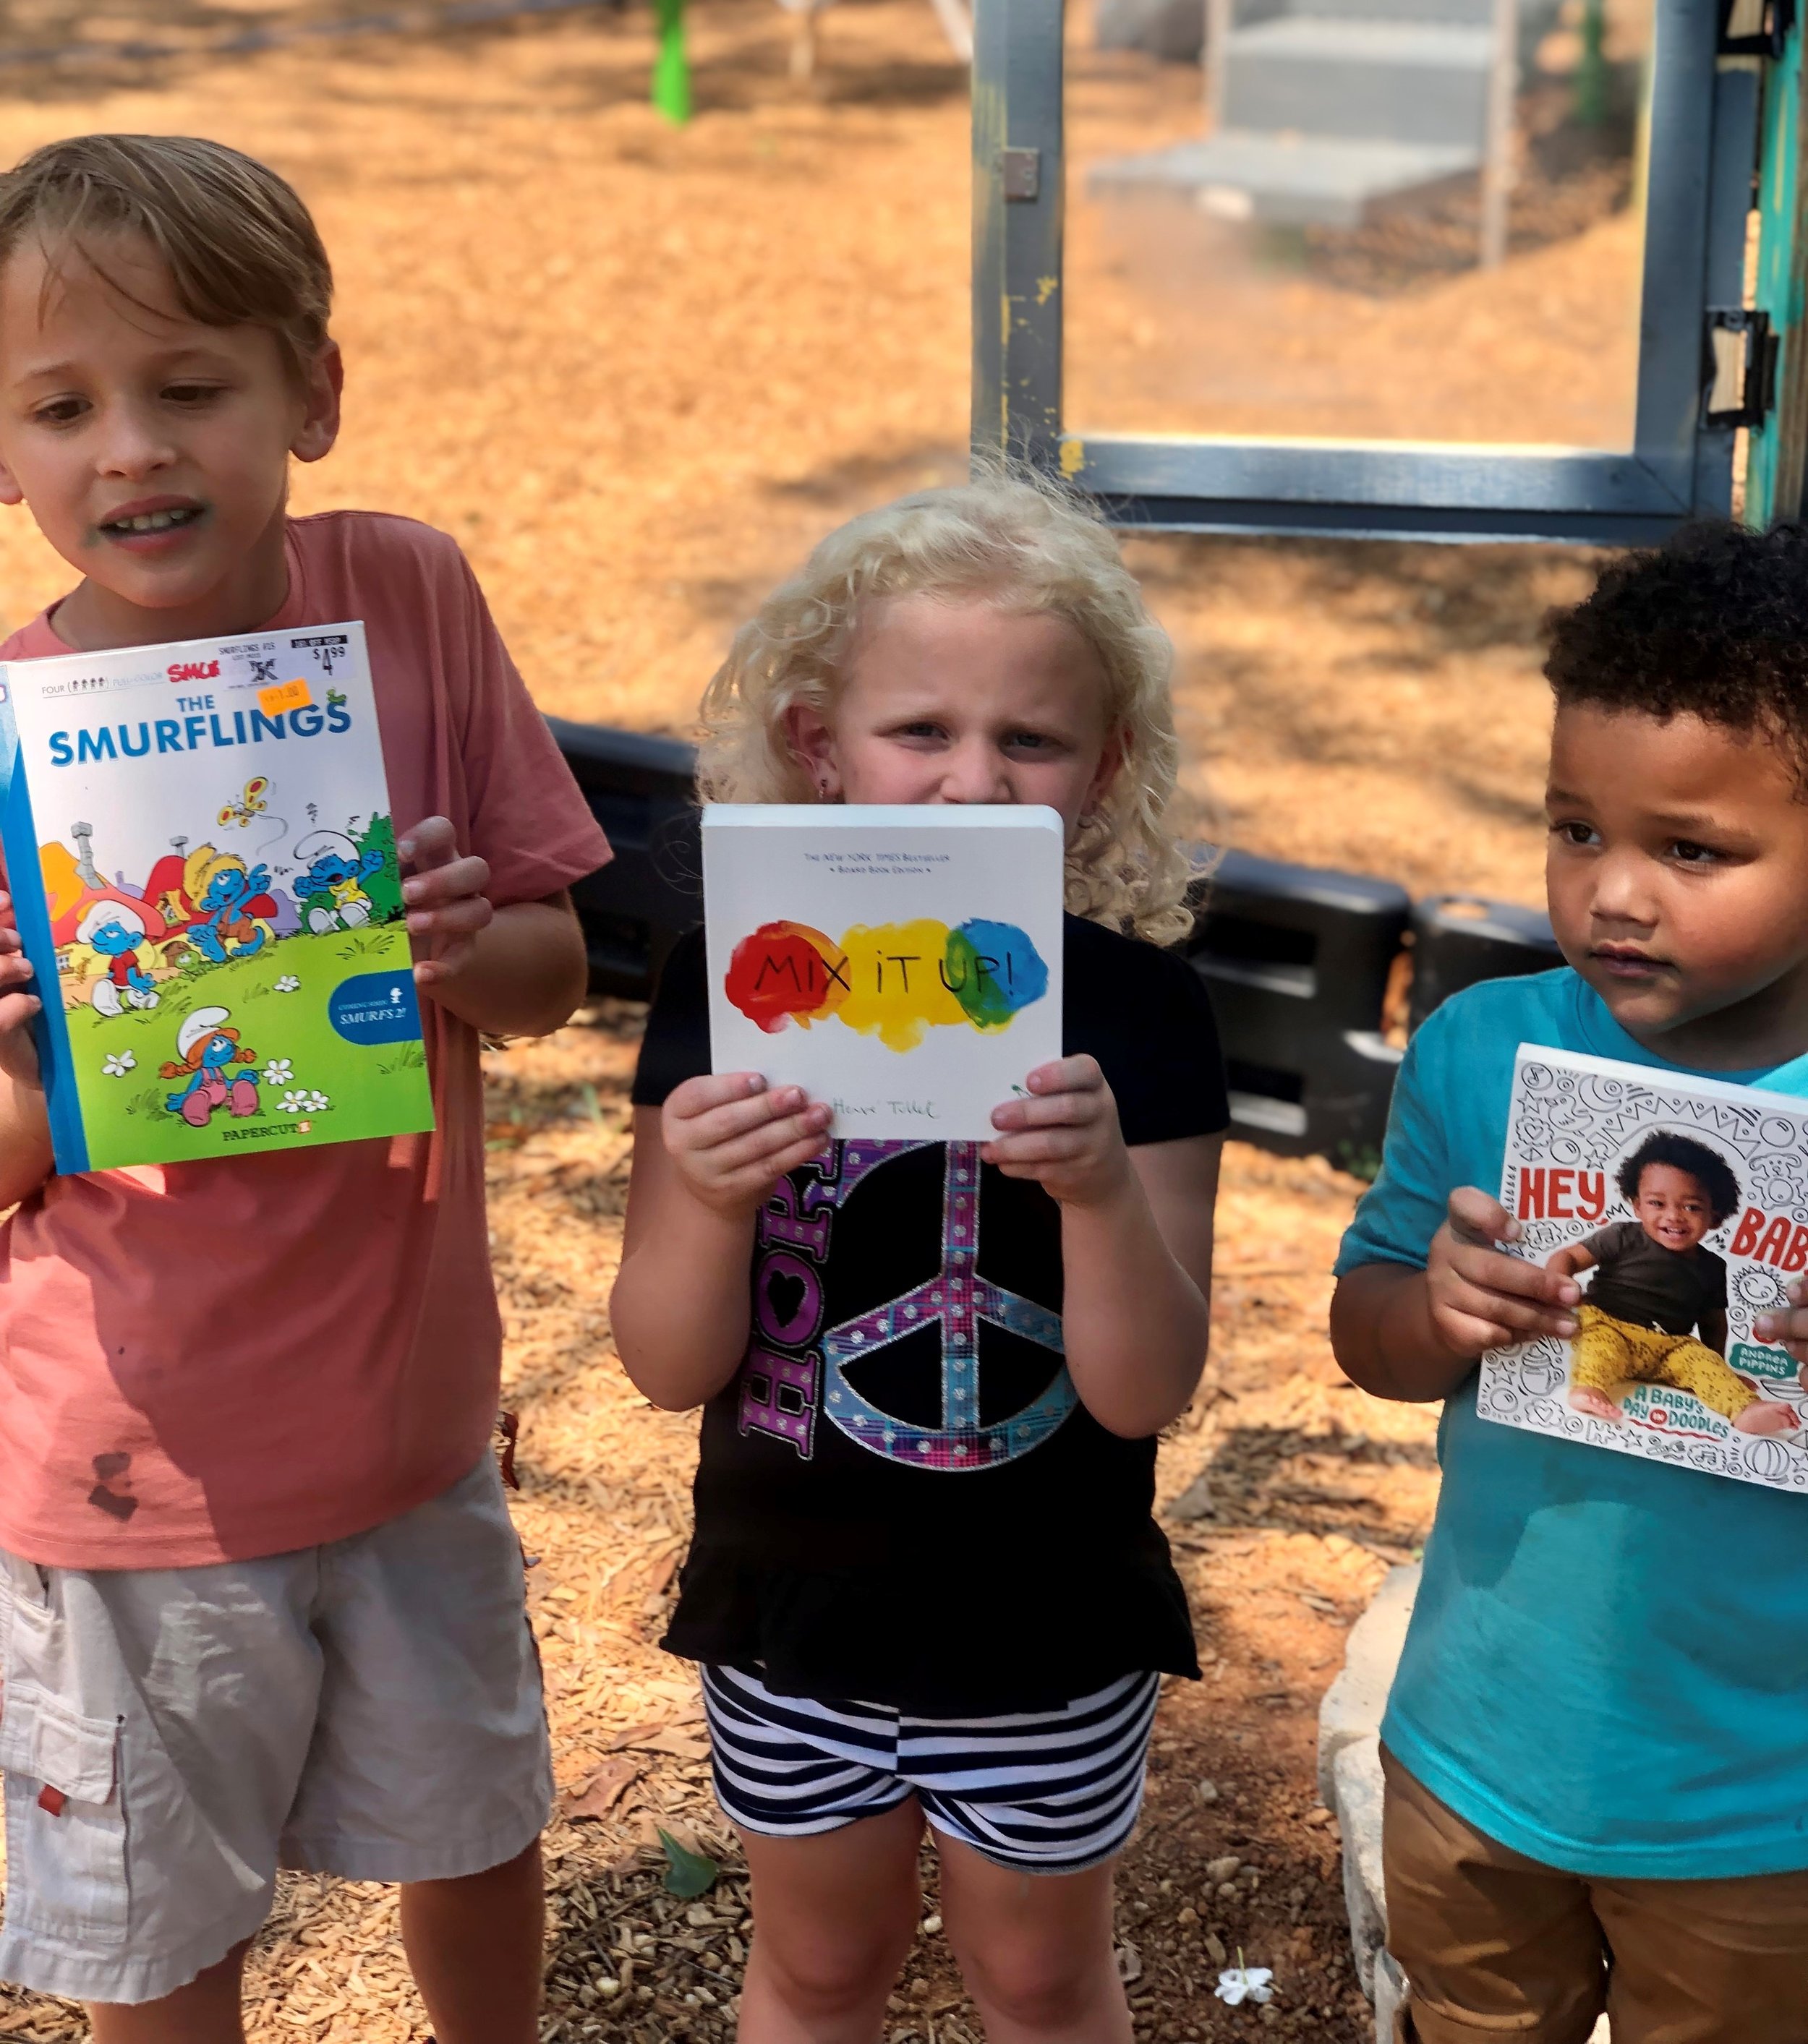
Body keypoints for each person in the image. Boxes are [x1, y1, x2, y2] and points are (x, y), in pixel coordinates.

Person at [0, 134, 610, 2043]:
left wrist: (458, 944)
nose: (131, 448)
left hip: (411, 1431)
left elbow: (548, 979)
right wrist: (30, 1045)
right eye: (64, 405)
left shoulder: (407, 601)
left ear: (311, 394)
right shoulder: (12, 738)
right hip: (130, 1466)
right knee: (167, 1926)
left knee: (474, 1828)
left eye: (192, 386)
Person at [610, 474, 1227, 2044]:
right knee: (818, 1970)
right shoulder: (728, 988)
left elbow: (1144, 1386)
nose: (967, 784)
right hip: (789, 1602)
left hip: (1043, 1612)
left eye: (1025, 740)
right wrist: (700, 1188)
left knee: (1033, 1978)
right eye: (917, 732)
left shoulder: (1142, 1014)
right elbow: (665, 1361)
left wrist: (1095, 1196)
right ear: (817, 745)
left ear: (1102, 768)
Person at [1329, 519, 1808, 2044]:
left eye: (1690, 849)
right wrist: (1436, 1308)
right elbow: (1368, 1330)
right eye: (1572, 829)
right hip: (1476, 1751)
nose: (1612, 894)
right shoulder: (1480, 1048)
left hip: (1760, 1810)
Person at [1548, 1128, 1795, 1432]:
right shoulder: (1623, 1236)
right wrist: (1558, 1288)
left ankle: (1744, 1409)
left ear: (1715, 1216)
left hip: (1669, 1347)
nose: (1674, 1216)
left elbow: (1714, 1322)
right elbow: (1569, 1257)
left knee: (1699, 1360)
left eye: (1691, 1207)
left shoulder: (1712, 1267)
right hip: (1609, 1324)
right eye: (1657, 1203)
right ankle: (1588, 1388)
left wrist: (1719, 1366)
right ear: (1637, 1204)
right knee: (1600, 1347)